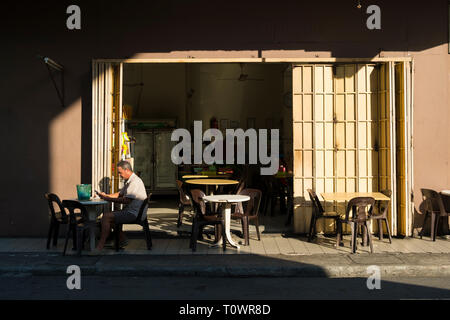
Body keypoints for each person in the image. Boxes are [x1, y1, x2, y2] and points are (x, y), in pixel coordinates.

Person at [95, 160, 148, 251]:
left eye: (120, 173)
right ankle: (122, 239)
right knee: (110, 217)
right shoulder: (130, 180)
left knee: (106, 217)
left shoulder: (134, 182)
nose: (119, 175)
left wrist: (108, 199)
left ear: (127, 170)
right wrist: (105, 195)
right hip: (131, 211)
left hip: (134, 214)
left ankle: (100, 246)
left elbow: (126, 200)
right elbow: (120, 194)